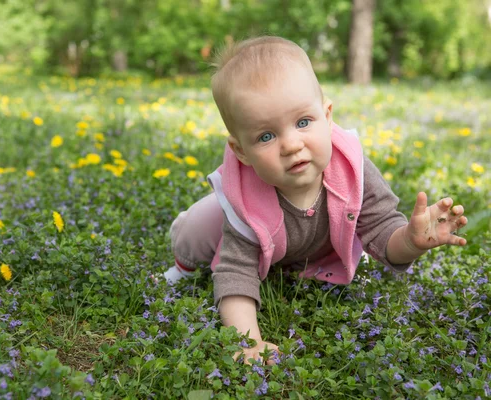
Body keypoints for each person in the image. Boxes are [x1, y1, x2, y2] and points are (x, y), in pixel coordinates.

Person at [164, 36, 468, 364]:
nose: (292, 144)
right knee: (202, 225)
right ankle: (184, 262)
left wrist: (410, 241)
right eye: (266, 136)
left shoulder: (352, 169)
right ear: (242, 152)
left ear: (327, 116)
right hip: (249, 234)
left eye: (303, 122)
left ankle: (303, 263)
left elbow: (381, 231)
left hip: (311, 247)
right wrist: (247, 342)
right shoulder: (246, 202)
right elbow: (236, 272)